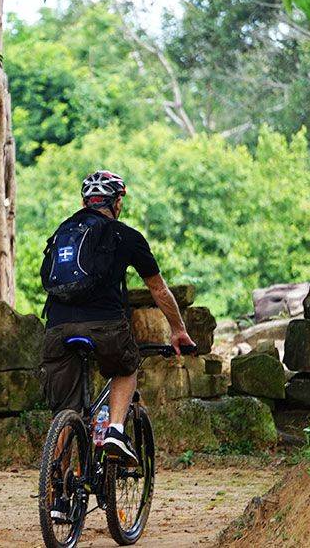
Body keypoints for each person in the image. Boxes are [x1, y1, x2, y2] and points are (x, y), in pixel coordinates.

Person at [41, 170, 194, 465]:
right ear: (116, 202)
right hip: (105, 325)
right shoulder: (126, 235)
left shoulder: (62, 232)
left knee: (65, 412)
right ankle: (115, 431)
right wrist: (178, 330)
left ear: (86, 202)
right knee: (126, 366)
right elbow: (158, 289)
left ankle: (56, 491)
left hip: (57, 328)